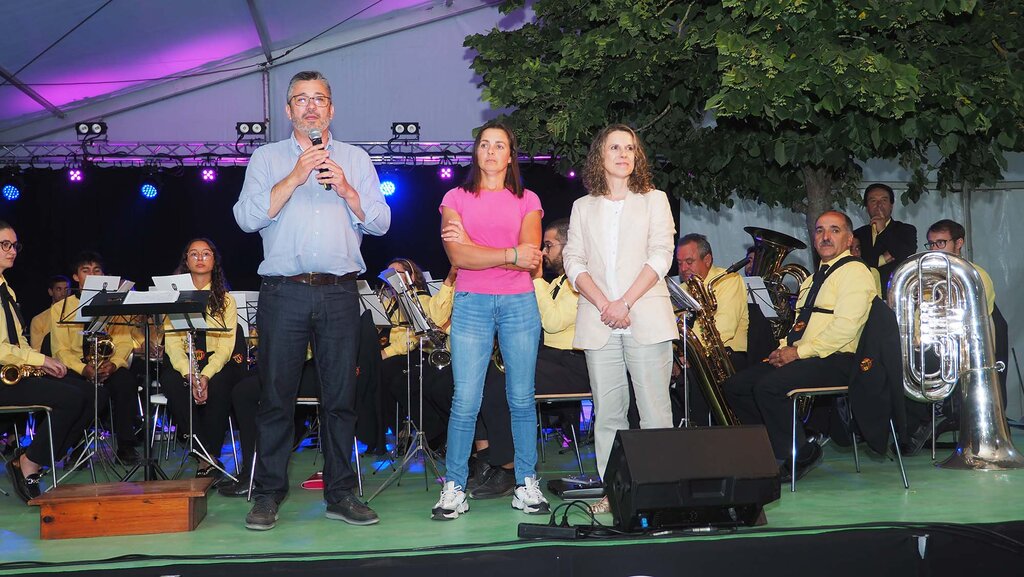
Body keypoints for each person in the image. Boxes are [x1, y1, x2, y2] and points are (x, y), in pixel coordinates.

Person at [233, 70, 390, 530]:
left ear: (332, 109)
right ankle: (266, 496)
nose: (310, 107)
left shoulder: (356, 159)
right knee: (276, 398)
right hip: (283, 293)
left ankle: (342, 493)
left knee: (340, 399)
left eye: (319, 99)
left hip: (341, 292)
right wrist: (296, 174)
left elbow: (380, 221)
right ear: (288, 111)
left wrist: (347, 189)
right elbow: (245, 218)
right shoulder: (266, 158)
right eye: (300, 100)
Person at [561, 124, 678, 514]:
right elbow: (572, 260)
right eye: (615, 147)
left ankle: (660, 491)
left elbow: (662, 255)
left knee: (654, 411)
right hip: (599, 322)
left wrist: (624, 302)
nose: (624, 154)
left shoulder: (655, 199)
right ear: (601, 155)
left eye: (630, 148)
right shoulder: (583, 207)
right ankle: (615, 493)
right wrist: (604, 303)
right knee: (609, 415)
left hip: (644, 315)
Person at [433, 120, 546, 521]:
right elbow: (458, 259)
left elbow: (531, 252)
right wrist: (508, 254)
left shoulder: (527, 199)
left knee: (520, 397)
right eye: (485, 144)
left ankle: (527, 483)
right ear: (476, 152)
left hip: (519, 303)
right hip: (471, 301)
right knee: (465, 399)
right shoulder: (455, 197)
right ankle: (454, 487)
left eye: (500, 145)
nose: (492, 152)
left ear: (510, 155)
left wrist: (485, 249)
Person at [724, 210, 876, 481]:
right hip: (808, 356)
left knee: (769, 387)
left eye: (834, 230)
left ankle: (796, 454)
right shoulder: (811, 279)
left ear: (850, 238)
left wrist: (797, 353)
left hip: (840, 359)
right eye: (819, 230)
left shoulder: (856, 272)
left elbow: (845, 329)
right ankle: (771, 449)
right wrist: (783, 347)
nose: (825, 236)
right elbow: (800, 326)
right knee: (736, 387)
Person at [470, 217, 591, 500]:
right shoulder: (557, 282)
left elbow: (552, 321)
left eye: (549, 245)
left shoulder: (581, 281)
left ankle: (509, 469)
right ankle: (487, 457)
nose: (545, 253)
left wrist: (535, 279)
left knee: (503, 380)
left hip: (575, 363)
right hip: (552, 359)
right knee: (481, 374)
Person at [0, 222, 90, 503]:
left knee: (89, 392)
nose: (12, 251)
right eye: (5, 244)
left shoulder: (7, 290)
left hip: (15, 371)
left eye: (15, 245)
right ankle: (29, 462)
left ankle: (38, 457)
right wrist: (42, 359)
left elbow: (17, 341)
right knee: (71, 398)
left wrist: (40, 364)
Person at [159, 238, 241, 478]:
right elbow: (172, 344)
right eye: (194, 254)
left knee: (221, 382)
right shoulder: (174, 297)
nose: (200, 258)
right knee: (172, 383)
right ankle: (206, 456)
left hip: (216, 364)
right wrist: (189, 373)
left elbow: (227, 345)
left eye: (206, 254)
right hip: (184, 363)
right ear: (186, 261)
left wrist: (205, 375)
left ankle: (207, 454)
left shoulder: (226, 300)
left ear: (214, 261)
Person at [50, 251, 140, 463]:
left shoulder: (115, 304)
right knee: (74, 389)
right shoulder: (60, 309)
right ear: (76, 277)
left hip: (108, 365)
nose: (92, 274)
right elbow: (60, 350)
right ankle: (78, 446)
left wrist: (114, 365)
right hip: (78, 367)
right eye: (85, 270)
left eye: (96, 270)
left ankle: (126, 445)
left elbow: (125, 341)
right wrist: (84, 369)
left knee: (125, 382)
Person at [676, 233, 750, 370]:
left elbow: (724, 327)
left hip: (725, 357)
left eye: (689, 262)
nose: (683, 268)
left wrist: (690, 354)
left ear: (707, 259)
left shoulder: (729, 280)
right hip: (690, 354)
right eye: (680, 263)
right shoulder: (681, 289)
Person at [852, 183, 917, 296]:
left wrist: (882, 231)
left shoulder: (906, 230)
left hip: (895, 294)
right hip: (863, 294)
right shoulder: (857, 234)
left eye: (884, 200)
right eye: (873, 201)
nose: (878, 205)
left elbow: (905, 254)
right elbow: (855, 263)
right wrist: (882, 259)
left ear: (891, 205)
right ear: (867, 207)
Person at [29, 275, 70, 352]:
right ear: (50, 292)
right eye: (59, 289)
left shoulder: (76, 315)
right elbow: (37, 349)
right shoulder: (39, 320)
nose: (63, 293)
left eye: (66, 289)